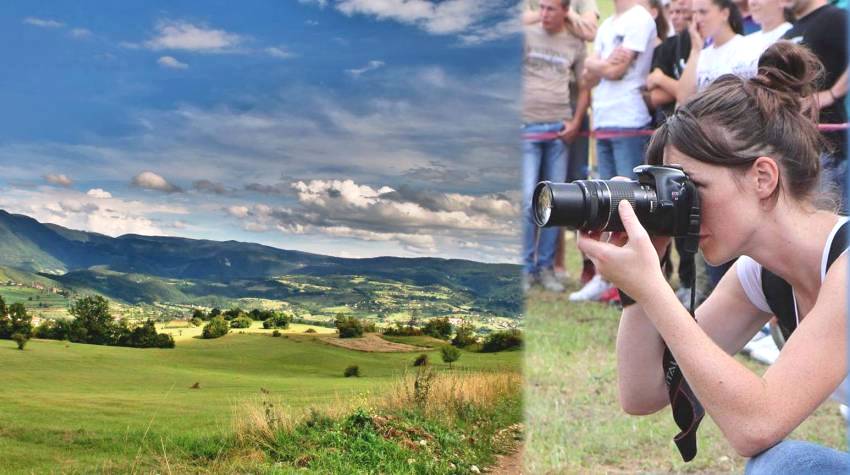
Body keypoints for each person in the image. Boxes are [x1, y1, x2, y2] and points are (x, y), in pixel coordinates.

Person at [578, 42, 850, 472]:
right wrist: (640, 287)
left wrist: (654, 290)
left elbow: (756, 425)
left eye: (693, 188)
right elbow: (643, 392)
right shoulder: (762, 275)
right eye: (676, 191)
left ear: (763, 177)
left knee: (787, 464)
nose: (683, 207)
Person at [568, 0, 657, 301]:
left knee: (632, 204)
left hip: (629, 119)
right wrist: (601, 65)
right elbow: (589, 76)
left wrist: (599, 65)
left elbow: (615, 70)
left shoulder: (639, 18)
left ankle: (634, 281)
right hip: (604, 118)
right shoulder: (607, 25)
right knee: (605, 204)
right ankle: (605, 277)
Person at [522, 0, 590, 292]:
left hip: (558, 130)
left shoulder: (575, 42)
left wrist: (576, 122)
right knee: (527, 198)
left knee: (553, 201)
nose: (544, 14)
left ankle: (546, 267)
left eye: (551, 8)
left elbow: (585, 86)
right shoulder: (526, 34)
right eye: (541, 7)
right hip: (526, 128)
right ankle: (525, 268)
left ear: (565, 10)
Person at [783, 0, 848, 211]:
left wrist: (832, 93)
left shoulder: (835, 17)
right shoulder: (790, 31)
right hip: (797, 152)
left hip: (829, 151)